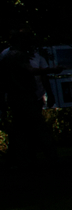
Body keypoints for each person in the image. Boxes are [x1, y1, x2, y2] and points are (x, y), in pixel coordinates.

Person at [1, 31, 55, 164]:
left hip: (17, 96)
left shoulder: (7, 56)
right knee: (38, 127)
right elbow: (31, 71)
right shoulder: (18, 56)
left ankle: (20, 157)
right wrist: (52, 70)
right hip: (25, 96)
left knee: (20, 128)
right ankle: (50, 156)